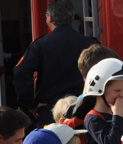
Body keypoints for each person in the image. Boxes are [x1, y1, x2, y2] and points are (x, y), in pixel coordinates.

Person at [13, 0, 97, 129]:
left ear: (50, 17)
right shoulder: (90, 44)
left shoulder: (39, 46)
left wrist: (30, 103)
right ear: (72, 17)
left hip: (50, 112)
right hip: (84, 111)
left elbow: (20, 72)